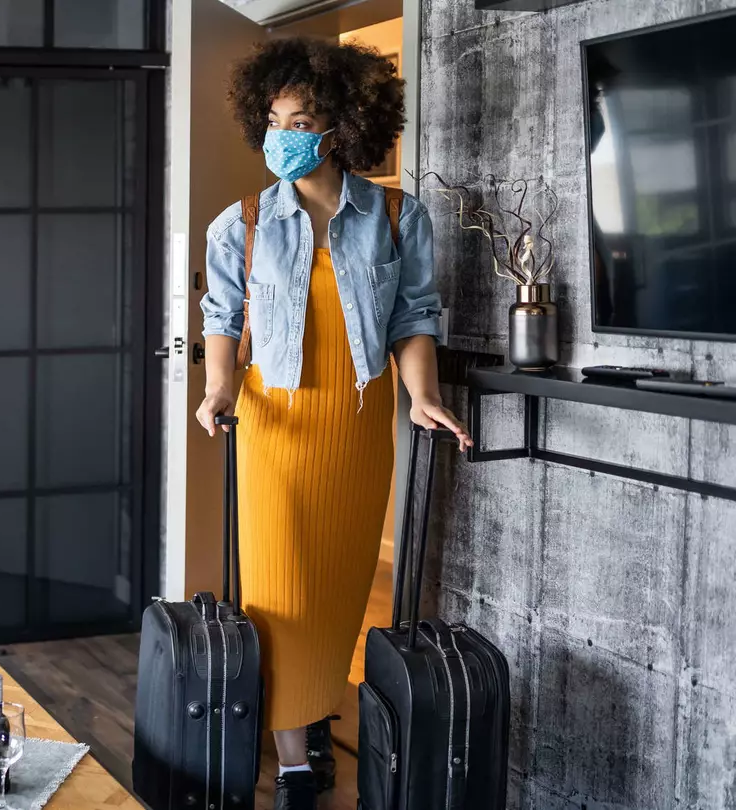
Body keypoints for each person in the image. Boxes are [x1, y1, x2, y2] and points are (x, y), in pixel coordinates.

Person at [196, 36, 473, 810]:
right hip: (274, 427)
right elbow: (221, 317)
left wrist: (420, 395)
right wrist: (219, 389)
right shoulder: (242, 223)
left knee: (340, 590)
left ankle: (314, 712)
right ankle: (292, 763)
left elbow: (414, 315)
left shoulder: (394, 214)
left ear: (342, 124)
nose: (285, 134)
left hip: (354, 429)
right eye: (275, 119)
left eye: (303, 117)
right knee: (279, 595)